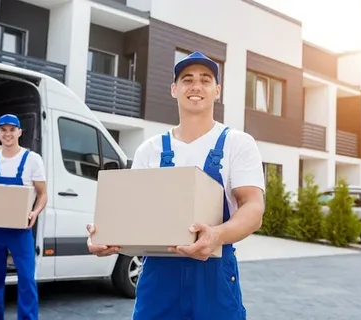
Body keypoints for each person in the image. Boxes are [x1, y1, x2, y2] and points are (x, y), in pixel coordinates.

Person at [87, 51, 265, 319]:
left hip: (213, 276)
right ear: (174, 89)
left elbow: (253, 207)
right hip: (159, 277)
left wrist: (216, 235)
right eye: (187, 79)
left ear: (217, 91)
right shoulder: (151, 149)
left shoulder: (237, 143)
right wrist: (108, 238)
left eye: (205, 80)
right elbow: (135, 215)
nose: (196, 86)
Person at [0, 114, 48, 320]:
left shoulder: (32, 159)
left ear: (19, 132)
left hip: (21, 229)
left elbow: (42, 193)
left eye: (11, 129)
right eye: (3, 130)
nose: (7, 134)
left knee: (26, 279)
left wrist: (35, 212)